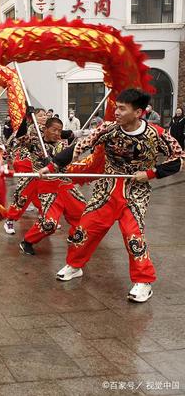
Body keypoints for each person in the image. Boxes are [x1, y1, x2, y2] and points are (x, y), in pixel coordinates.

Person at [41, 89, 184, 302]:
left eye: (122, 108)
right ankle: (75, 265)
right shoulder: (107, 129)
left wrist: (151, 173)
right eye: (116, 107)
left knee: (132, 234)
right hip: (106, 188)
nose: (116, 112)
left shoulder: (158, 134)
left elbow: (179, 159)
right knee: (85, 229)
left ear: (138, 112)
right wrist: (53, 166)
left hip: (136, 191)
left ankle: (143, 281)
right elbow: (80, 146)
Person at [16, 117, 87, 255]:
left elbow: (71, 159)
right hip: (47, 186)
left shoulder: (63, 146)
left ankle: (73, 235)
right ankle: (27, 242)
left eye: (59, 131)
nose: (57, 133)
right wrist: (26, 117)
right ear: (45, 129)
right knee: (49, 224)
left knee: (83, 213)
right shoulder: (36, 143)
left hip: (65, 183)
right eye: (54, 130)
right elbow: (20, 137)